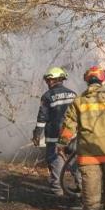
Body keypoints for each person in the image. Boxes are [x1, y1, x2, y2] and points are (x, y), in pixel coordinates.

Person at [59, 66, 105, 210]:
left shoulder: (78, 102)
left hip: (88, 152)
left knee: (91, 182)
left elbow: (68, 126)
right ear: (103, 79)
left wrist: (62, 144)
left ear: (87, 80)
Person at [32, 67, 78, 196]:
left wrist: (37, 135)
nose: (48, 82)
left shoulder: (47, 96)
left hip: (54, 136)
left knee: (55, 160)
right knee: (74, 160)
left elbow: (42, 118)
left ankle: (57, 191)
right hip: (72, 135)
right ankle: (81, 187)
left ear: (56, 80)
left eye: (50, 80)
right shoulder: (73, 94)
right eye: (47, 80)